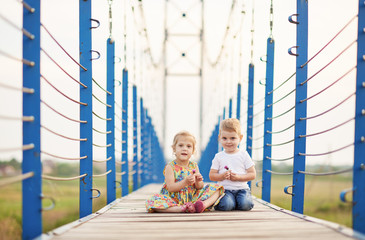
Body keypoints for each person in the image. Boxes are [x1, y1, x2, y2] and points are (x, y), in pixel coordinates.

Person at [146, 130, 224, 213]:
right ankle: (181, 208)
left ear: (193, 151)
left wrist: (199, 181)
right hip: (174, 200)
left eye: (188, 146)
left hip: (193, 198)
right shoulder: (170, 167)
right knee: (152, 201)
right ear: (174, 149)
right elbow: (171, 188)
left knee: (217, 188)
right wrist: (185, 182)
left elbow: (199, 187)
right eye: (180, 145)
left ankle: (202, 204)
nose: (184, 149)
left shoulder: (194, 165)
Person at [209, 118, 256, 211]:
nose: (228, 141)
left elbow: (252, 174)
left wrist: (238, 177)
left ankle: (236, 202)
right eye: (224, 138)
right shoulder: (218, 156)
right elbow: (212, 176)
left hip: (242, 190)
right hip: (225, 190)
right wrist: (222, 176)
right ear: (219, 138)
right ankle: (229, 202)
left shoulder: (244, 155)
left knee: (246, 205)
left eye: (233, 138)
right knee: (227, 206)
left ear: (240, 138)